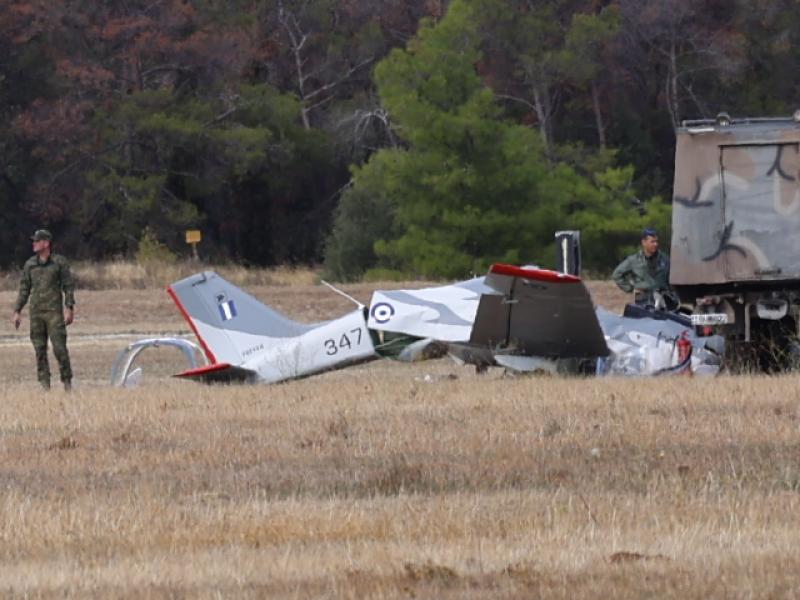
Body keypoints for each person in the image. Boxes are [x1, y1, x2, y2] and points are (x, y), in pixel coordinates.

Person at [11, 229, 75, 391]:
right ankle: (45, 384)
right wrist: (17, 311)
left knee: (59, 348)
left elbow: (68, 286)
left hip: (54, 314)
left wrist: (69, 307)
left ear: (46, 243)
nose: (34, 244)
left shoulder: (59, 263)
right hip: (37, 313)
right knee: (39, 350)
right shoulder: (30, 265)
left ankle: (67, 382)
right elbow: (24, 289)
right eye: (34, 241)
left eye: (37, 241)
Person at [612, 228, 671, 307]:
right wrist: (631, 289)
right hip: (643, 300)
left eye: (656, 241)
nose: (655, 244)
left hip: (662, 300)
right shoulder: (634, 260)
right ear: (644, 242)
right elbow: (616, 274)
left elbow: (672, 279)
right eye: (652, 242)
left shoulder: (665, 259)